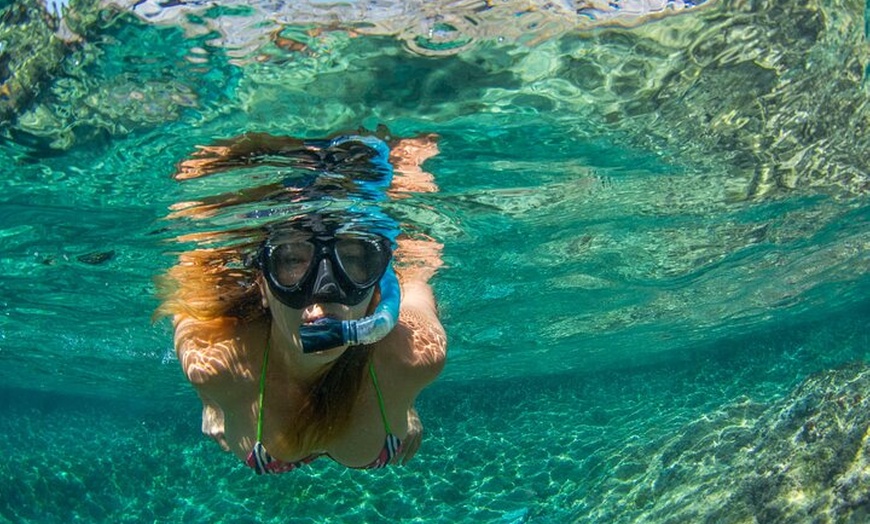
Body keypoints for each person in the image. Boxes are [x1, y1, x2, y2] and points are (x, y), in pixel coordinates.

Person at [156, 131, 446, 473]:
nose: (322, 302)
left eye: (354, 260)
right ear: (263, 285)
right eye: (292, 262)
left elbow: (415, 285)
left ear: (376, 282)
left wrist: (404, 399)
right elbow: (188, 300)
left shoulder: (412, 358)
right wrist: (210, 400)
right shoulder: (215, 364)